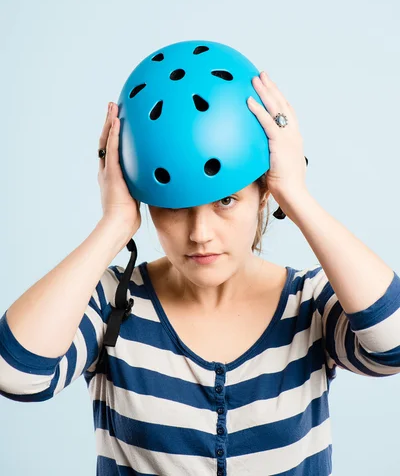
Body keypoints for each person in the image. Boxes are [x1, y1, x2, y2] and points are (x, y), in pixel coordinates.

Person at [1, 91, 399, 476]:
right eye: (173, 205)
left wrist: (296, 195)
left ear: (263, 194)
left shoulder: (308, 301)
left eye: (226, 199)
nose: (200, 234)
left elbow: (392, 347)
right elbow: (16, 374)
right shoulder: (113, 303)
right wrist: (115, 223)